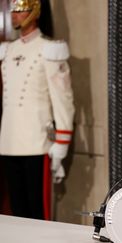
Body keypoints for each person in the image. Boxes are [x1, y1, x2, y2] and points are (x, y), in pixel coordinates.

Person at [0, 0, 74, 220]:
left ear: (34, 11)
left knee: (37, 213)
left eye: (20, 10)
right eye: (13, 10)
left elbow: (63, 100)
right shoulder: (8, 50)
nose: (14, 15)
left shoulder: (49, 49)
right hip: (9, 142)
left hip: (37, 143)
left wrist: (61, 144)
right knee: (17, 211)